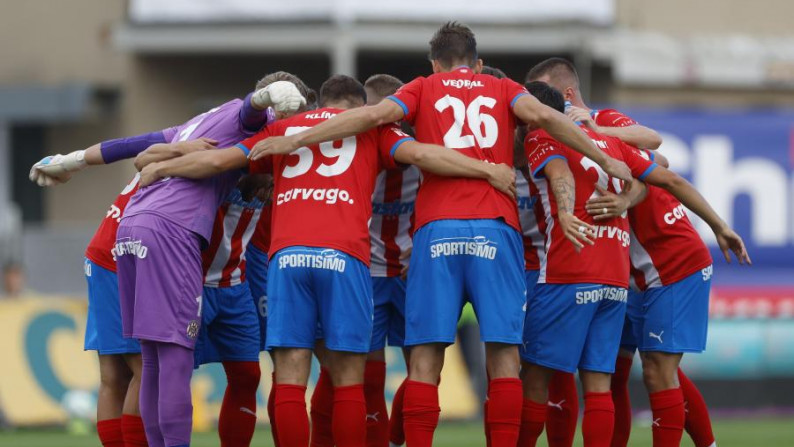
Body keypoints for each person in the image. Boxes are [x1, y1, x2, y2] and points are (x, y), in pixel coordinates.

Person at [249, 22, 635, 447]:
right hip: (495, 228)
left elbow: (373, 116)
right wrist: (602, 155)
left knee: (425, 359)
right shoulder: (503, 90)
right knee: (505, 359)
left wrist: (298, 138)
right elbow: (546, 116)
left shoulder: (422, 87)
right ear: (479, 62)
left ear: (434, 63)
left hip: (437, 232)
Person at [135, 74, 516, 447]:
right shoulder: (372, 130)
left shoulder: (285, 130)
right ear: (359, 107)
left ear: (322, 103)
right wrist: (486, 169)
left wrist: (161, 167)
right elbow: (420, 154)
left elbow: (218, 162)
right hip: (344, 257)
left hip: (288, 258)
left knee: (289, 376)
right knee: (349, 378)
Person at [519, 81, 749, 447]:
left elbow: (652, 150)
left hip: (608, 268)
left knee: (537, 375)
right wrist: (719, 225)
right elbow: (665, 173)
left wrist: (567, 211)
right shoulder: (614, 144)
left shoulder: (562, 132)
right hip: (619, 279)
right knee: (606, 381)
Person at [308, 74, 421, 447]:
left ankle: (396, 436)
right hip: (365, 272)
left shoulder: (420, 149)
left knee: (425, 370)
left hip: (412, 271)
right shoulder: (348, 149)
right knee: (361, 373)